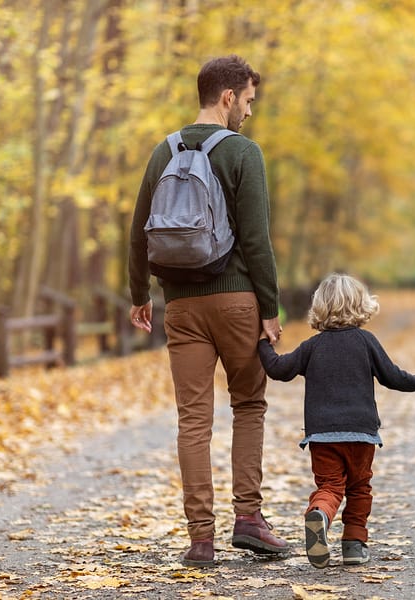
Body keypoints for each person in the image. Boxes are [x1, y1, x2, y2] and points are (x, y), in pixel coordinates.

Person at [128, 54, 288, 567]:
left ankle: (201, 539)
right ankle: (249, 520)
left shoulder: (163, 151)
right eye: (248, 101)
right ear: (227, 97)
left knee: (192, 421)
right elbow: (257, 240)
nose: (249, 112)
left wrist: (139, 296)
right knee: (248, 406)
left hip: (181, 307)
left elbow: (138, 234)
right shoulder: (243, 152)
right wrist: (269, 307)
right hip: (238, 301)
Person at [257, 273, 415, 568]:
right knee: (359, 488)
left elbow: (278, 369)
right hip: (361, 435)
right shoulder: (366, 341)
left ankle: (320, 513)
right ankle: (354, 544)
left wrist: (264, 343)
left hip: (322, 437)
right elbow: (393, 377)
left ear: (319, 307)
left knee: (330, 486)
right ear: (361, 306)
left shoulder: (312, 347)